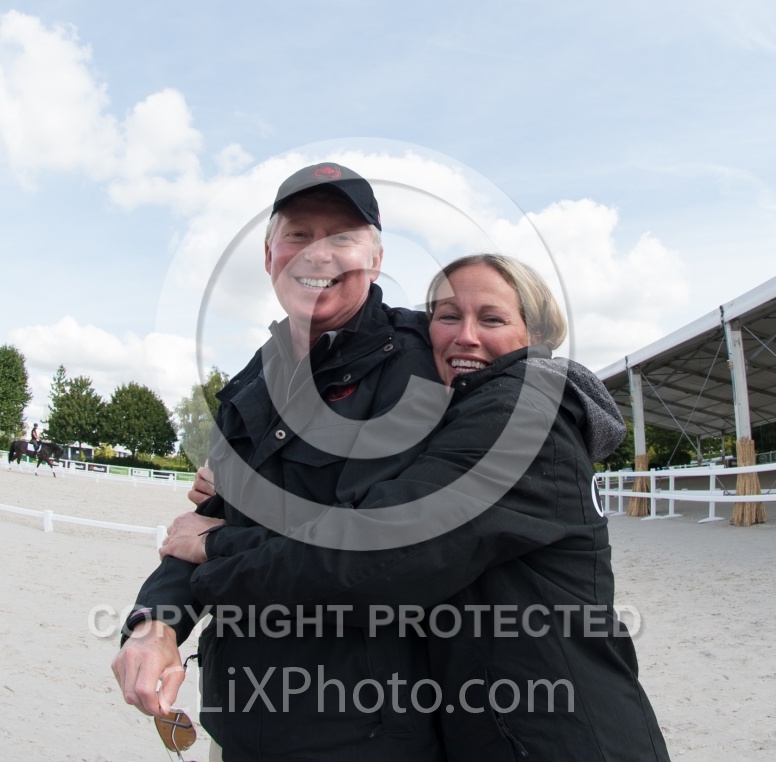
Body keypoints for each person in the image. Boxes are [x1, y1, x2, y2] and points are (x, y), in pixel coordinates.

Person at [166, 254, 670, 760]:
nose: (465, 336)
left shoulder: (516, 417)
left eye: (492, 319)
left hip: (559, 737)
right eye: (447, 316)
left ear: (533, 334)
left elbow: (377, 551)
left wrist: (215, 547)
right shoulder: (460, 418)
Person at [112, 163, 447, 762]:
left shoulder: (424, 361)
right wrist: (156, 625)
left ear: (376, 260)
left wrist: (216, 544)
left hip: (365, 734)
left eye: (342, 237)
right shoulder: (254, 376)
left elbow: (376, 551)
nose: (317, 253)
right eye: (298, 234)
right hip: (239, 723)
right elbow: (204, 522)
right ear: (270, 256)